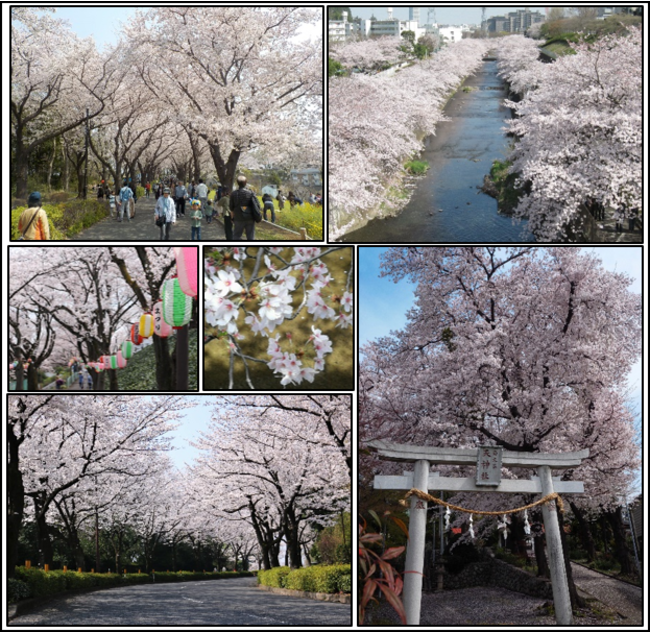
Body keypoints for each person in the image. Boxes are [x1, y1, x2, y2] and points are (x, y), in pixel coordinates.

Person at [230, 175, 259, 241]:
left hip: (238, 218)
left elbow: (231, 208)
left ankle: (237, 250)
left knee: (236, 236)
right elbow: (257, 205)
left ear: (237, 183)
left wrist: (232, 218)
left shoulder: (233, 194)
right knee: (250, 237)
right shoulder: (251, 193)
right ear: (245, 183)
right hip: (250, 218)